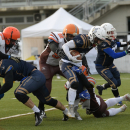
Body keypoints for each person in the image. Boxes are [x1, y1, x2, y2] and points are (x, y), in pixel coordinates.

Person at [0, 59, 73, 126]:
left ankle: (38, 112)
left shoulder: (5, 65)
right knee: (47, 100)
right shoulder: (4, 64)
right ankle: (66, 111)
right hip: (34, 77)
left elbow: (8, 84)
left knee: (19, 92)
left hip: (35, 76)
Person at [38, 24, 80, 117]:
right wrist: (58, 51)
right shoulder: (58, 37)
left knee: (76, 81)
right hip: (47, 63)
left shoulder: (76, 43)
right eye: (70, 35)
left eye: (74, 36)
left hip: (62, 65)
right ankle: (40, 108)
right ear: (64, 34)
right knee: (46, 88)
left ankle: (72, 105)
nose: (71, 38)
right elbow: (53, 45)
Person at [64, 66, 130, 118]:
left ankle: (121, 109)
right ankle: (124, 98)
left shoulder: (88, 80)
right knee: (105, 104)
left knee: (102, 114)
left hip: (95, 105)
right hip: (96, 100)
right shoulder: (82, 80)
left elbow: (85, 86)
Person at [90, 24, 130, 106]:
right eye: (110, 32)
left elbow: (117, 44)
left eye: (112, 32)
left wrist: (127, 43)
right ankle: (118, 100)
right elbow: (114, 55)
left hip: (110, 64)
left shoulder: (111, 41)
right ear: (103, 33)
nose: (112, 33)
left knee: (118, 82)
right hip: (101, 66)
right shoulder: (102, 44)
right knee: (114, 83)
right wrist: (127, 52)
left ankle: (102, 87)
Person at [59, 33, 95, 117]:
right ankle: (71, 108)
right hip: (67, 63)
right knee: (74, 82)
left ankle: (74, 110)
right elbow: (65, 46)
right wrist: (70, 57)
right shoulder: (83, 39)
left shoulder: (95, 43)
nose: (99, 42)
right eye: (98, 39)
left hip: (78, 65)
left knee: (84, 85)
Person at [0, 26, 21, 98]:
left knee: (1, 93)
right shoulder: (0, 38)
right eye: (13, 41)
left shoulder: (8, 47)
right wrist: (8, 57)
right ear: (7, 38)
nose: (14, 43)